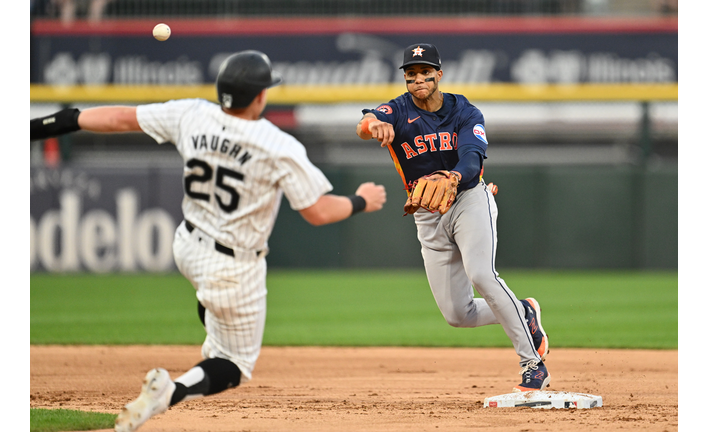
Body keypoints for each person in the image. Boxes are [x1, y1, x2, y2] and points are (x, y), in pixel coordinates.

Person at [30, 50, 387, 432]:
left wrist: (58, 121)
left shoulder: (192, 113)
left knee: (215, 308)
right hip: (232, 267)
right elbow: (317, 211)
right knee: (233, 365)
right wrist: (361, 200)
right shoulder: (276, 144)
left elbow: (119, 118)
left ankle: (212, 321)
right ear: (260, 96)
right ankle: (169, 391)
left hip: (188, 244)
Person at [355, 43, 550, 392]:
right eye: (410, 74)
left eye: (425, 72)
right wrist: (372, 125)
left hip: (468, 200)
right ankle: (524, 311)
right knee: (458, 315)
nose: (418, 79)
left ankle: (532, 364)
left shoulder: (465, 111)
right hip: (427, 216)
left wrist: (453, 177)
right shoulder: (398, 110)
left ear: (439, 74)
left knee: (482, 276)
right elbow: (367, 120)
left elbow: (472, 158)